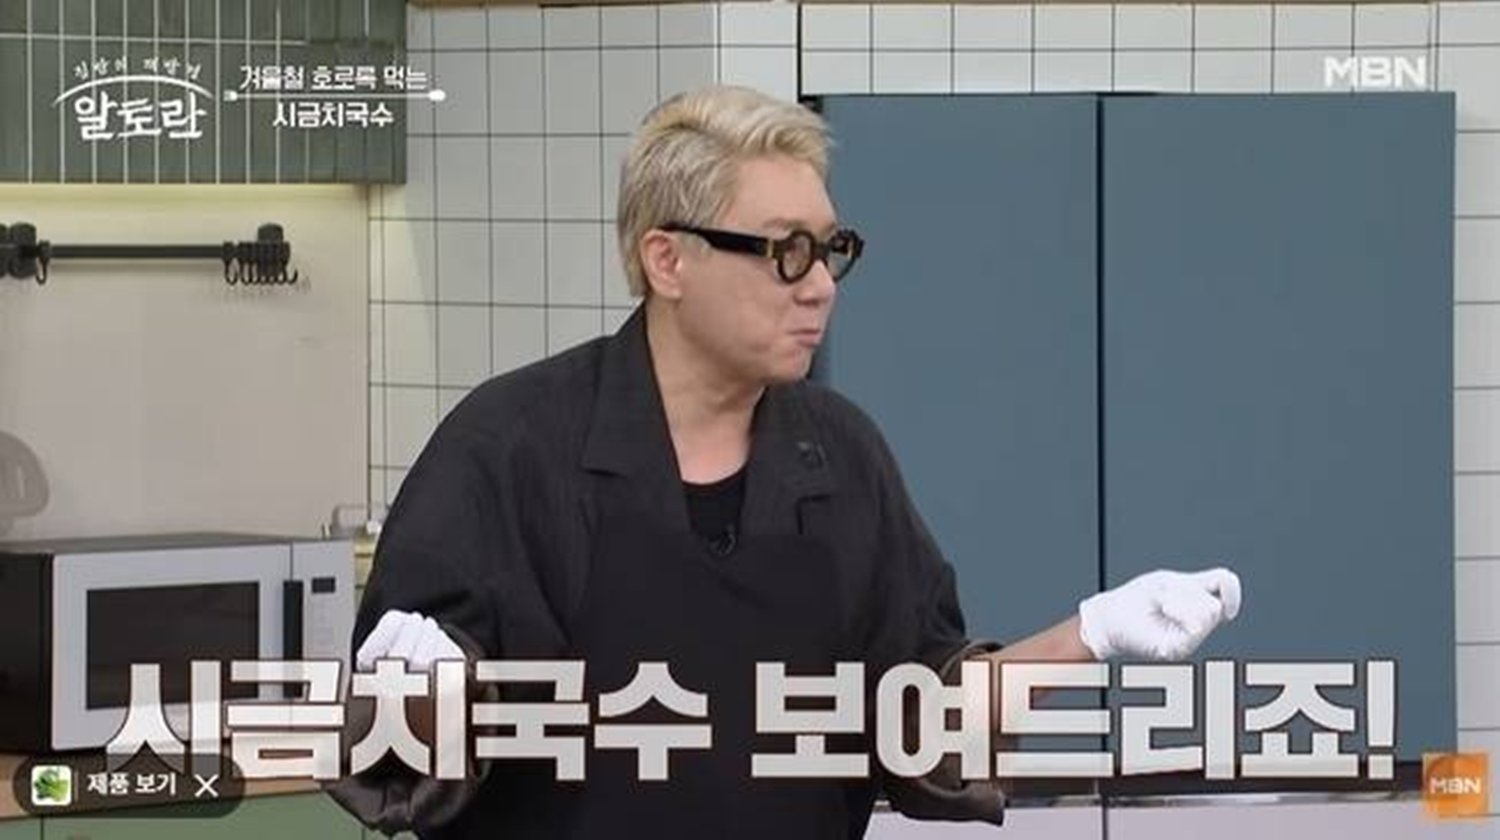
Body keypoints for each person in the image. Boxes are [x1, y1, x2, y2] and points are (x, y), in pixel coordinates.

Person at [326, 85, 1242, 839]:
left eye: (831, 250)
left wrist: (1087, 634)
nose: (821, 286)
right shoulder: (508, 448)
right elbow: (386, 759)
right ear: (667, 260)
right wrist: (420, 696)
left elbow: (920, 715)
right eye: (785, 252)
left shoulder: (840, 457)